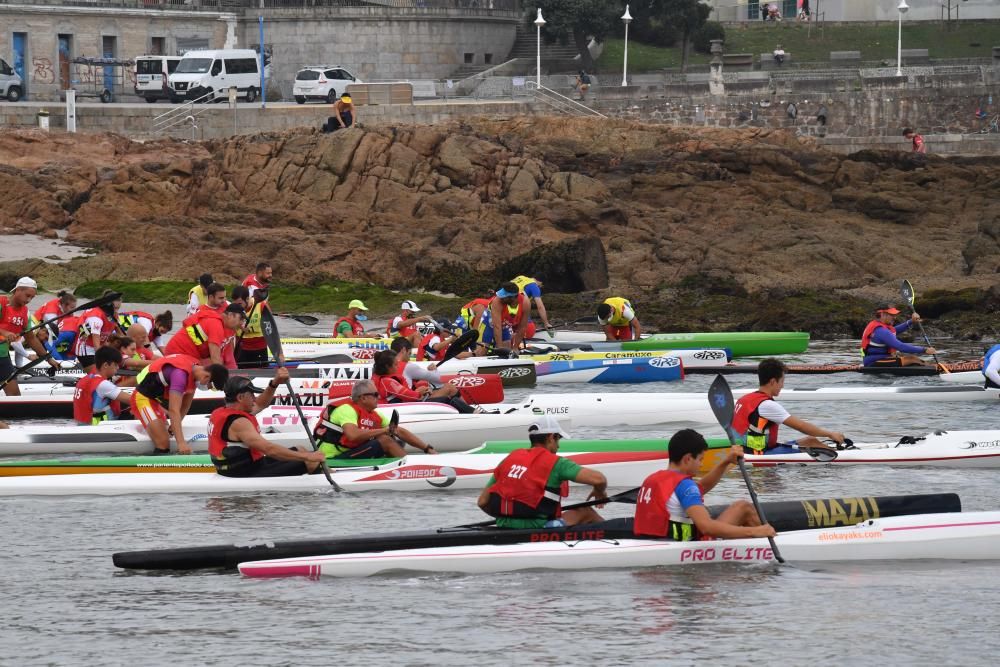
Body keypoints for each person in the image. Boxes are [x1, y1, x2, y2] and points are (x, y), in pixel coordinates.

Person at [633, 429, 776, 541]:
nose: (701, 465)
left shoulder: (652, 479)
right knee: (743, 507)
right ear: (688, 458)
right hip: (686, 546)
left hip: (650, 542)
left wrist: (725, 462)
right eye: (700, 459)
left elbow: (700, 488)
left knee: (740, 508)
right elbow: (706, 527)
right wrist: (754, 531)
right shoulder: (685, 486)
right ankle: (771, 540)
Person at [477, 416, 607, 529]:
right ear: (551, 437)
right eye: (558, 440)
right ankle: (617, 538)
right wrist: (599, 491)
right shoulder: (557, 463)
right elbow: (599, 479)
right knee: (585, 511)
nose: (558, 446)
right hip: (540, 527)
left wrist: (509, 519)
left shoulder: (510, 458)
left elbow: (482, 502)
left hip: (503, 525)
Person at [209, 372, 327, 477]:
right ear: (240, 397)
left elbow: (261, 404)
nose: (254, 399)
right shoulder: (239, 423)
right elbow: (269, 449)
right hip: (245, 471)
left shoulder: (221, 412)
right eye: (252, 395)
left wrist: (274, 384)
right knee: (310, 461)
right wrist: (308, 457)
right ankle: (322, 489)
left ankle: (324, 472)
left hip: (239, 467)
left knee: (300, 449)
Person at [732, 358, 846, 455]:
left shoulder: (744, 399)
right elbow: (801, 426)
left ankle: (836, 451)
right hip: (758, 454)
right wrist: (830, 434)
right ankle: (840, 455)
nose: (782, 385)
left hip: (743, 449)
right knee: (811, 442)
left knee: (810, 440)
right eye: (782, 381)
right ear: (773, 381)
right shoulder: (767, 405)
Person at [131, 353, 229, 455]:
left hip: (155, 401)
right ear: (207, 376)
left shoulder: (195, 370)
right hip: (142, 398)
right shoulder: (180, 375)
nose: (208, 389)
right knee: (163, 443)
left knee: (167, 435)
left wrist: (174, 425)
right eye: (211, 387)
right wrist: (181, 443)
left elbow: (186, 404)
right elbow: (174, 410)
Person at [313, 379, 436, 459]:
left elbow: (398, 431)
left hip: (351, 451)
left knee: (396, 441)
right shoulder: (346, 409)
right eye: (375, 395)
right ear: (363, 398)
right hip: (333, 456)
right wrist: (384, 430)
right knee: (385, 440)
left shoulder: (374, 414)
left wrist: (427, 448)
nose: (379, 397)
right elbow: (353, 435)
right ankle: (410, 468)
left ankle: (400, 467)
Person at [1, 277, 62, 395]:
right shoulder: (2, 303)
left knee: (14, 396)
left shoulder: (25, 313)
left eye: (32, 297)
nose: (29, 300)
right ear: (17, 290)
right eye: (27, 295)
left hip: (3, 356)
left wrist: (48, 358)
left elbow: (31, 339)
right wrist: (5, 333)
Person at [371, 349, 478, 413]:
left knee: (447, 394)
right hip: (407, 409)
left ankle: (470, 412)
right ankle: (473, 414)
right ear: (387, 366)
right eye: (395, 364)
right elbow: (411, 396)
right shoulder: (387, 381)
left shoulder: (378, 376)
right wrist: (420, 391)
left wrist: (419, 390)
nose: (398, 365)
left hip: (404, 406)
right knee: (448, 396)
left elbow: (404, 394)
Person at [165, 302, 246, 369]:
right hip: (179, 355)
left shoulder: (216, 320)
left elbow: (223, 358)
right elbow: (216, 359)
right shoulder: (216, 325)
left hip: (181, 354)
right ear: (231, 315)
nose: (242, 323)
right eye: (241, 319)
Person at [861, 302, 936, 367]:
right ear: (883, 314)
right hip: (873, 363)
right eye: (892, 315)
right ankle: (934, 368)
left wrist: (911, 321)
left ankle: (931, 366)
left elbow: (895, 330)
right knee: (912, 359)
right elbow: (901, 347)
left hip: (879, 359)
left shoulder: (879, 326)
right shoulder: (881, 331)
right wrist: (924, 350)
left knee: (912, 360)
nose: (895, 317)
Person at [73, 346, 132, 425]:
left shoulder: (84, 380)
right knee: (136, 409)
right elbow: (133, 400)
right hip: (100, 427)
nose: (118, 368)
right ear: (105, 365)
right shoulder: (103, 385)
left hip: (84, 424)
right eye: (115, 365)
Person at [73, 289, 124, 372]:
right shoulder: (96, 317)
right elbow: (97, 346)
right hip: (86, 349)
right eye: (114, 308)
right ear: (108, 304)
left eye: (117, 308)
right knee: (101, 375)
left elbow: (121, 336)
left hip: (100, 345)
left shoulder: (113, 314)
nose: (116, 310)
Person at [477, 283, 529, 356]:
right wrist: (499, 348)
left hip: (505, 327)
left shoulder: (525, 303)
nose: (500, 297)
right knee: (480, 352)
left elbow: (522, 327)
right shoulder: (497, 301)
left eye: (503, 296)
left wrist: (515, 347)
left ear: (512, 297)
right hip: (488, 325)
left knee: (507, 352)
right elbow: (497, 326)